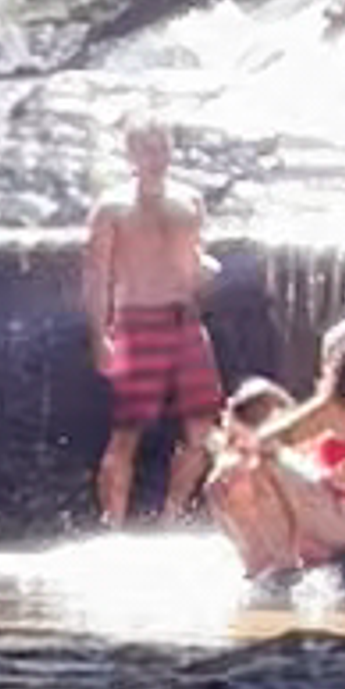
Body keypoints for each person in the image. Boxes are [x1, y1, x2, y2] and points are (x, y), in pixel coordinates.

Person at [210, 318, 345, 608]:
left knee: (257, 463)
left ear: (336, 362)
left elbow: (266, 441)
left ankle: (281, 571)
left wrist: (229, 442)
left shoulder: (340, 403)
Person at [81, 126, 220, 521]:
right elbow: (96, 277)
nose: (156, 155)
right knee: (127, 431)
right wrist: (98, 337)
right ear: (130, 154)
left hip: (186, 323)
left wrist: (203, 271)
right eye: (146, 148)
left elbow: (196, 261)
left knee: (201, 430)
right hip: (136, 322)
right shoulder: (111, 207)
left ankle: (172, 516)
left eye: (162, 147)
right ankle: (114, 525)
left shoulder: (190, 200)